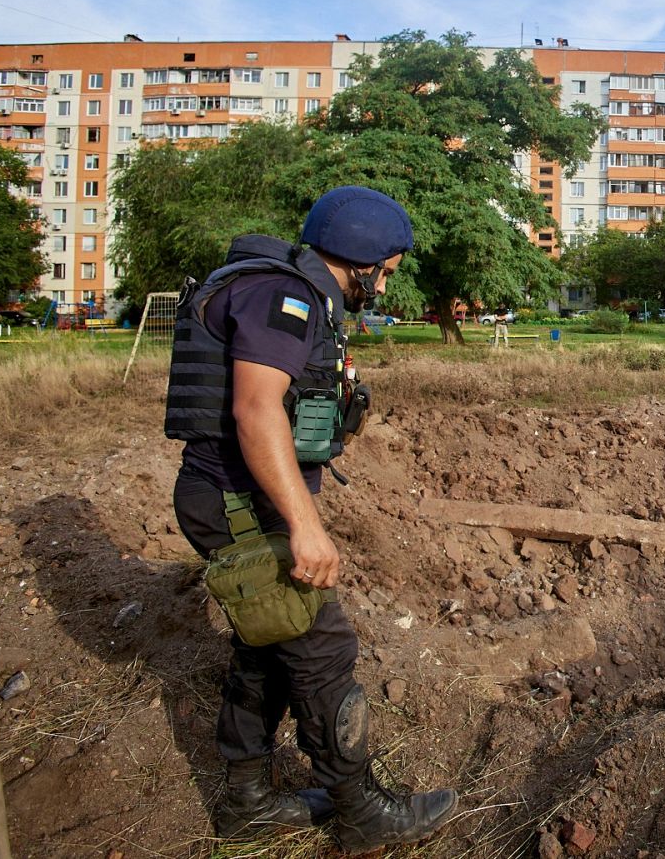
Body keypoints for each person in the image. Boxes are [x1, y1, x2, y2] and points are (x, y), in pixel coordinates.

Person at [165, 186, 457, 850]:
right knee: (323, 649)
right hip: (241, 504)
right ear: (361, 259)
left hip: (233, 496)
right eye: (386, 271)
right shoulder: (285, 298)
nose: (384, 285)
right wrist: (305, 524)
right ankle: (361, 813)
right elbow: (256, 410)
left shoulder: (282, 291)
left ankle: (247, 799)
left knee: (267, 644)